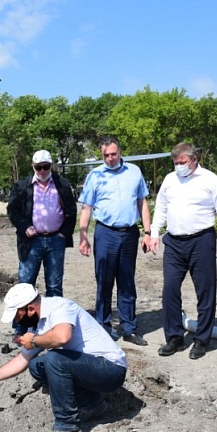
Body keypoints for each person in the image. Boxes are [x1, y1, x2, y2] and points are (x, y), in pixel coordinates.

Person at [0, 284, 127, 432]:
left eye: (17, 316)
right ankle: (92, 404)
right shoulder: (39, 325)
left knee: (54, 360)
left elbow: (62, 336)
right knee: (37, 365)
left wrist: (33, 340)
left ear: (30, 309)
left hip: (110, 369)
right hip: (91, 370)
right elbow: (22, 360)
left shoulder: (60, 307)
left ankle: (68, 429)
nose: (17, 321)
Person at [147, 142, 217, 360]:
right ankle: (174, 336)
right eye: (175, 163)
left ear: (194, 159)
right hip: (174, 242)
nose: (178, 166)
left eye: (182, 162)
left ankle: (202, 339)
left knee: (205, 291)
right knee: (169, 290)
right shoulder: (169, 180)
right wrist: (154, 233)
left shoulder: (211, 180)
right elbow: (161, 208)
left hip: (201, 241)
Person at [78, 136, 151, 346]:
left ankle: (129, 328)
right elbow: (87, 208)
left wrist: (147, 231)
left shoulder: (134, 172)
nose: (110, 158)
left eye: (113, 154)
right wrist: (83, 236)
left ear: (120, 153)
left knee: (127, 281)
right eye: (105, 155)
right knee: (104, 281)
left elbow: (142, 202)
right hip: (106, 234)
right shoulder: (95, 176)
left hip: (129, 233)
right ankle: (103, 327)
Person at [7, 150, 77, 338]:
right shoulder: (22, 186)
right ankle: (22, 327)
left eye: (46, 166)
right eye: (38, 167)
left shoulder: (62, 184)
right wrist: (25, 227)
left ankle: (53, 324)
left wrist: (64, 233)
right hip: (31, 242)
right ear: (33, 166)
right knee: (25, 284)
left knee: (54, 285)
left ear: (51, 165)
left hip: (56, 240)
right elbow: (12, 210)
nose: (42, 171)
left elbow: (71, 210)